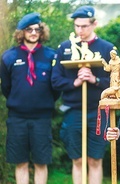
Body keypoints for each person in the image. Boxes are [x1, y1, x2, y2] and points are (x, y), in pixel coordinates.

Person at [51, 5, 114, 184]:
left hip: (99, 111)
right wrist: (75, 82)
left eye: (84, 26)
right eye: (77, 26)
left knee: (95, 159)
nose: (80, 30)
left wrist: (95, 80)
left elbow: (115, 82)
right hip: (73, 111)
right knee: (77, 160)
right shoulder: (65, 48)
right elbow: (55, 80)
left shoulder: (107, 48)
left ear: (94, 24)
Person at [0, 12, 60, 184]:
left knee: (41, 162)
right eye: (29, 29)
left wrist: (43, 103)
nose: (33, 33)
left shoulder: (52, 56)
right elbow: (6, 88)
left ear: (42, 32)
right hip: (17, 117)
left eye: (37, 29)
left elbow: (56, 88)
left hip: (42, 118)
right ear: (21, 33)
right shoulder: (8, 57)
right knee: (21, 162)